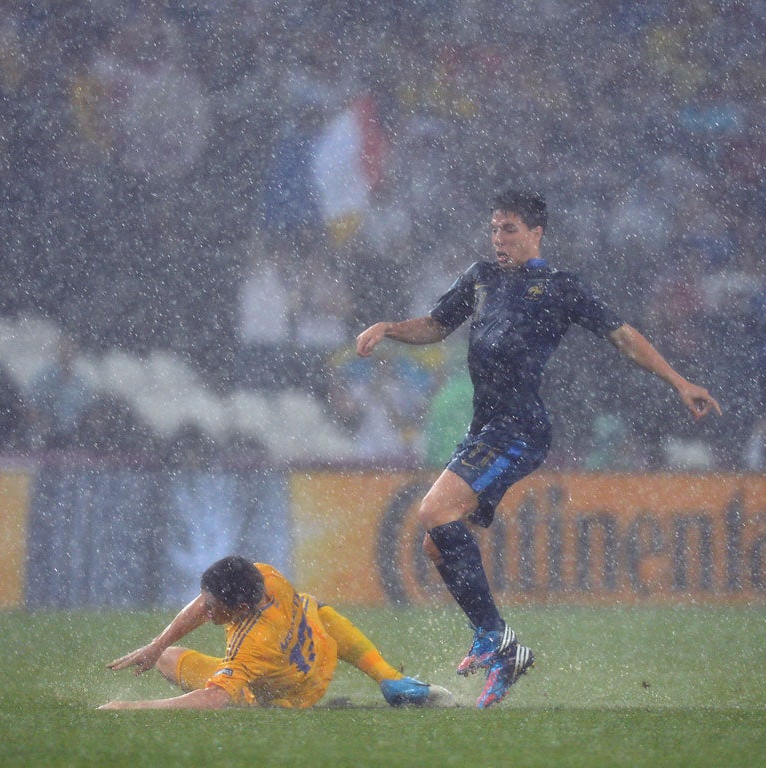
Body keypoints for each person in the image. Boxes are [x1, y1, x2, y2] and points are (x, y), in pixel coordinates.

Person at [355, 190, 722, 709]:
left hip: (520, 429)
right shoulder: (480, 278)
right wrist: (389, 328)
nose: (498, 239)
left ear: (535, 233)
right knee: (438, 544)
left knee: (434, 510)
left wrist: (679, 382)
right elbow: (436, 326)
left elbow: (622, 336)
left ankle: (493, 637)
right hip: (486, 429)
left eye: (508, 229)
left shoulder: (558, 287)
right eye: (494, 229)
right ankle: (506, 654)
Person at [99, 555, 453, 710]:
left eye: (212, 607)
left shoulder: (252, 645)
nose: (204, 612)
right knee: (314, 605)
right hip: (318, 645)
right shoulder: (265, 577)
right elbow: (204, 603)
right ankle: (389, 677)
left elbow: (214, 699)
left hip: (296, 693)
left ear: (239, 610)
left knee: (180, 667)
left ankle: (259, 698)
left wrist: (132, 705)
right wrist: (156, 642)